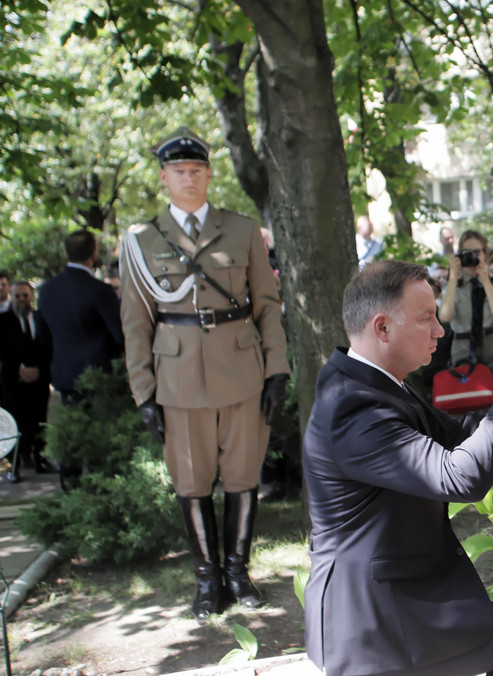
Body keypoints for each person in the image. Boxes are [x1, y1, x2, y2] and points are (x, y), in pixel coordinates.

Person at [303, 261, 493, 676]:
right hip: (375, 622)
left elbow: (459, 435)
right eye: (426, 318)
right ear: (382, 327)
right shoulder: (351, 405)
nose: (439, 330)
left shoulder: (374, 384)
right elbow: (459, 477)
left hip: (398, 603)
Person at [120, 126, 290, 621]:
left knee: (241, 476)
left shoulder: (241, 231)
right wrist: (144, 393)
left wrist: (276, 370)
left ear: (209, 174)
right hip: (176, 380)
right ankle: (206, 580)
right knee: (191, 481)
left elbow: (267, 305)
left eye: (196, 170)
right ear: (163, 177)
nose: (188, 178)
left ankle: (238, 572)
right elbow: (135, 322)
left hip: (241, 370)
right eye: (178, 171)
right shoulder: (139, 242)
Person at [39, 230, 126, 487]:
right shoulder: (100, 290)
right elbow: (121, 337)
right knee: (100, 442)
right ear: (94, 253)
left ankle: (71, 494)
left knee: (71, 440)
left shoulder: (47, 290)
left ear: (66, 253)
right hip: (100, 378)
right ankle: (99, 498)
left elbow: (44, 337)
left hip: (65, 377)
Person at [438, 230, 493, 389]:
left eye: (477, 252)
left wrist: (485, 281)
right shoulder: (453, 285)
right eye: (467, 253)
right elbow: (445, 316)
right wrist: (452, 279)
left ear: (485, 253)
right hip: (463, 346)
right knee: (468, 397)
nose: (473, 257)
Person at [0, 281, 52, 483]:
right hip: (14, 382)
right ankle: (15, 466)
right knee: (15, 423)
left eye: (25, 295)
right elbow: (3, 352)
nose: (21, 299)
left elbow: (48, 347)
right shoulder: (3, 321)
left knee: (39, 421)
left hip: (39, 381)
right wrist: (20, 370)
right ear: (12, 298)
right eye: (17, 296)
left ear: (31, 297)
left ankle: (40, 459)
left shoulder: (41, 319)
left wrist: (38, 370)